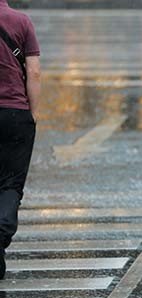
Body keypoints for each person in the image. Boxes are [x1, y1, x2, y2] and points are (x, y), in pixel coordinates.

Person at [0, 0, 40, 280]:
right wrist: (33, 113)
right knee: (10, 184)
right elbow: (34, 72)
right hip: (15, 113)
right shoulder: (21, 21)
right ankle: (1, 231)